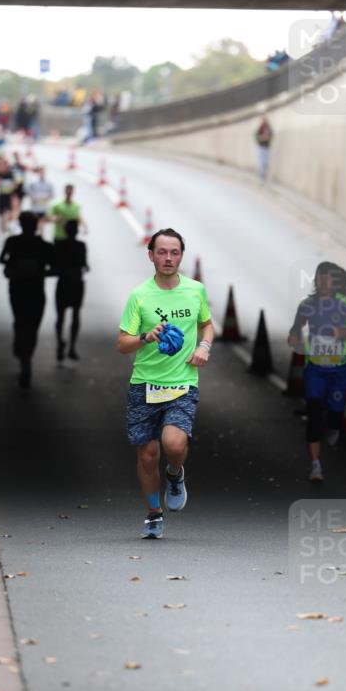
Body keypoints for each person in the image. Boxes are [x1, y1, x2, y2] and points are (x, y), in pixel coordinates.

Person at [117, 228, 214, 540]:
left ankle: (175, 473)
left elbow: (207, 325)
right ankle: (153, 514)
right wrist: (146, 336)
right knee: (147, 455)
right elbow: (122, 344)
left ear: (181, 256)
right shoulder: (140, 296)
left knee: (173, 444)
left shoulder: (195, 290)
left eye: (174, 252)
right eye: (162, 252)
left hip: (183, 383)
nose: (168, 258)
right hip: (144, 384)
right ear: (151, 256)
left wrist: (204, 347)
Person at [288, 261, 346, 482]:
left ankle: (334, 425)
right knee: (313, 414)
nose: (323, 282)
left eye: (328, 277)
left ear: (335, 281)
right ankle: (315, 466)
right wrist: (293, 336)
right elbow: (295, 329)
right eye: (319, 277)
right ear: (315, 280)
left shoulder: (345, 304)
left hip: (338, 370)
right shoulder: (307, 305)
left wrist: (345, 332)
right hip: (314, 368)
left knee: (335, 414)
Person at [0, 212, 55, 388]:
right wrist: (39, 272)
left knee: (20, 321)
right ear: (36, 225)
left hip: (17, 289)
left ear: (21, 225)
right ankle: (26, 359)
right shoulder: (44, 246)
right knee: (32, 326)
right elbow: (55, 268)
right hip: (36, 291)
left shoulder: (12, 242)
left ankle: (22, 352)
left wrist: (14, 269)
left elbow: (2, 260)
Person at [54, 220, 88, 362]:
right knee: (75, 314)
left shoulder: (59, 245)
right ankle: (72, 346)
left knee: (60, 316)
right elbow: (85, 266)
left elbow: (55, 264)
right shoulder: (81, 246)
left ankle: (60, 342)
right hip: (76, 284)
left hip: (63, 283)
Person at [0, 156, 19, 234]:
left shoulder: (11, 174)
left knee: (8, 214)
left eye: (5, 164)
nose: (3, 166)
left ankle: (7, 228)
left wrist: (13, 186)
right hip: (1, 196)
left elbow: (16, 185)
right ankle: (2, 231)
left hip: (9, 197)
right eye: (2, 164)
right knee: (1, 216)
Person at [255, 115, 273, 181]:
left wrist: (267, 138)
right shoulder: (260, 128)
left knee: (266, 162)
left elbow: (271, 135)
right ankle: (261, 175)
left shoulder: (269, 128)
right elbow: (256, 137)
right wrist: (262, 138)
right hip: (261, 147)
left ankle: (264, 174)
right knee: (261, 161)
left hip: (267, 147)